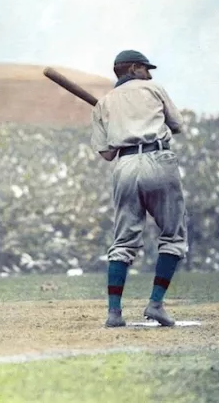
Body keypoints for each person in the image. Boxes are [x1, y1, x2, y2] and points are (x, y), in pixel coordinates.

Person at [90, 50, 187, 327]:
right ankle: (156, 304)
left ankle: (114, 314)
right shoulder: (153, 89)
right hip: (158, 158)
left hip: (125, 163)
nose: (150, 73)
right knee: (173, 235)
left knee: (123, 241)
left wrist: (118, 124)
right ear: (133, 68)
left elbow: (107, 153)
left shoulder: (104, 103)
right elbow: (177, 125)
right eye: (146, 68)